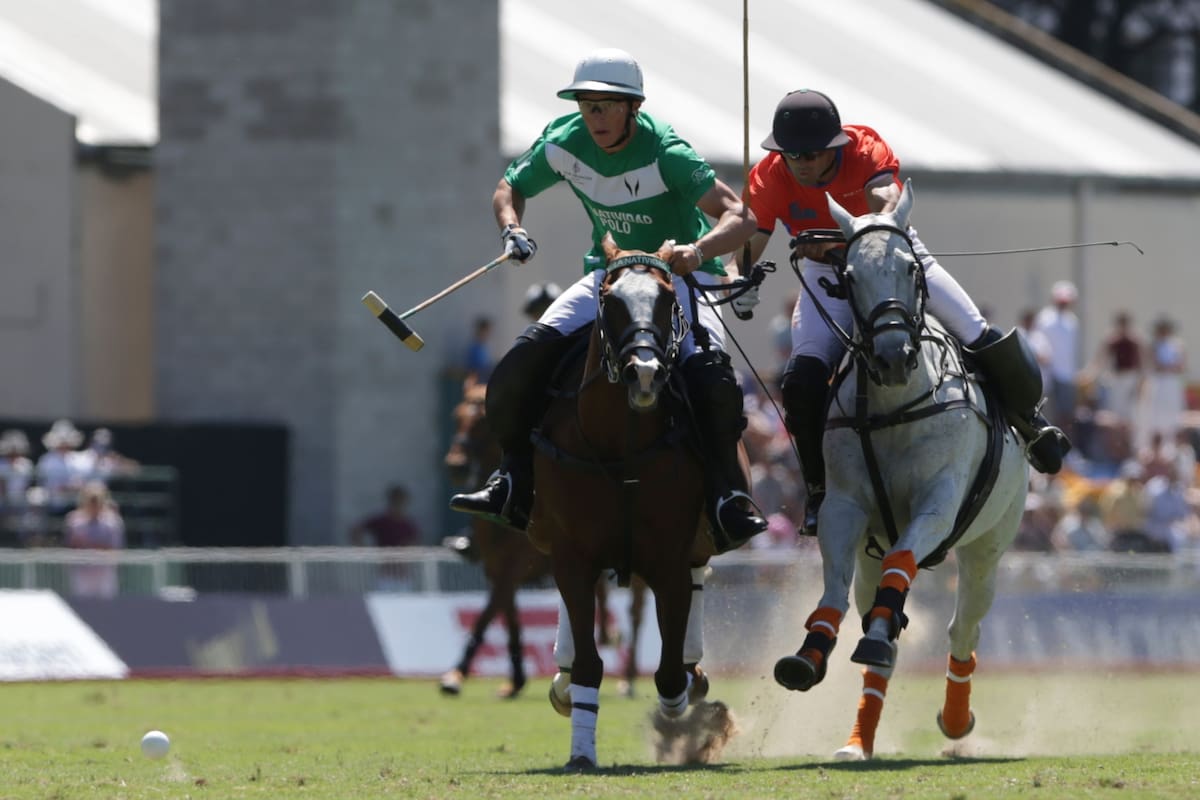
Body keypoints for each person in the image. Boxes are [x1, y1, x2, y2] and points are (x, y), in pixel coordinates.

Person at [450, 48, 768, 545]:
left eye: (605, 105)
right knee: (522, 361)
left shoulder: (667, 152)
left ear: (632, 108)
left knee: (712, 380)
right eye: (586, 104)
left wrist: (697, 249)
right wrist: (511, 228)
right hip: (609, 276)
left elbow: (741, 217)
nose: (593, 116)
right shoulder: (564, 141)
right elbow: (509, 186)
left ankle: (728, 495)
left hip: (678, 278)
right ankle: (510, 479)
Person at [731, 89, 1070, 536]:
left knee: (979, 334)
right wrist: (740, 280)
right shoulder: (770, 176)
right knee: (800, 381)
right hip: (826, 277)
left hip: (891, 259)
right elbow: (747, 247)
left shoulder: (865, 148)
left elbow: (886, 199)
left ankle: (1032, 426)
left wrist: (852, 236)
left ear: (834, 147)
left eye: (812, 154)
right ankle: (819, 488)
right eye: (792, 155)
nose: (802, 164)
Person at [350, 484, 422, 590]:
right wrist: (362, 549)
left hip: (403, 575)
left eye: (401, 501)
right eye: (396, 501)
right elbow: (356, 530)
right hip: (384, 574)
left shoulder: (408, 525)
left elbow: (414, 544)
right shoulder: (381, 521)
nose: (399, 504)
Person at [1034, 280, 1081, 436]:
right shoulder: (1045, 318)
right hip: (1048, 373)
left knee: (1066, 413)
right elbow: (1038, 342)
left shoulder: (1072, 321)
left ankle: (1065, 443)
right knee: (1049, 412)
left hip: (1067, 374)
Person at [64, 481, 126, 598]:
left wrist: (89, 544)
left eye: (97, 501)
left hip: (104, 572)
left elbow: (115, 549)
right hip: (82, 573)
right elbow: (70, 547)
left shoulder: (112, 522)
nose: (94, 504)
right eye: (91, 500)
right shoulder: (74, 521)